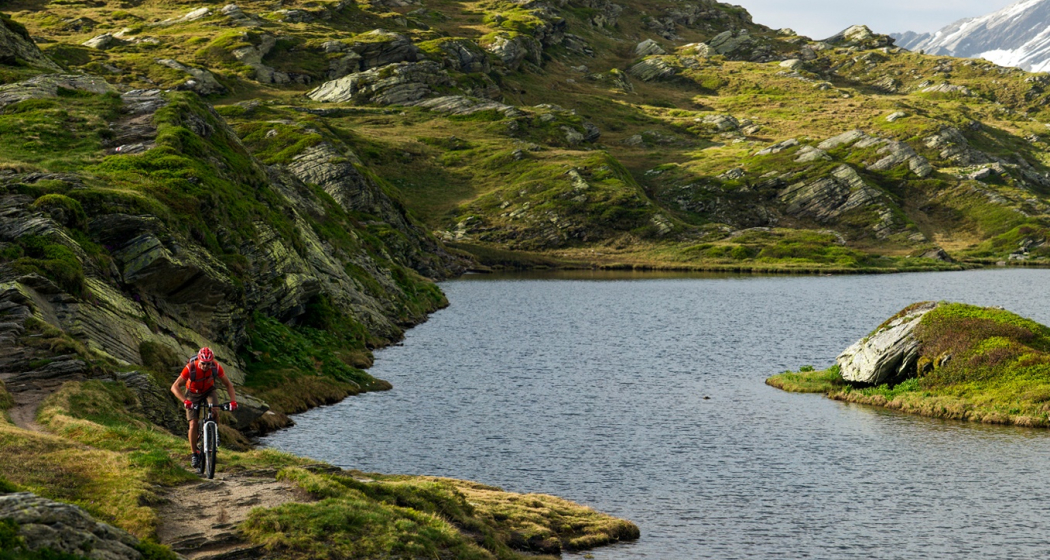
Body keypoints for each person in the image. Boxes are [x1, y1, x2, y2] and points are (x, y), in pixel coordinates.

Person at [170, 347, 237, 468]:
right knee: (193, 423)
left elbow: (228, 385)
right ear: (198, 360)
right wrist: (185, 401)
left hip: (209, 391)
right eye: (203, 363)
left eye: (208, 364)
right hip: (192, 393)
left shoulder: (216, 367)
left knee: (215, 410)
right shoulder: (190, 368)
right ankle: (194, 453)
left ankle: (214, 434)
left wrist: (233, 401)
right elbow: (174, 386)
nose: (205, 366)